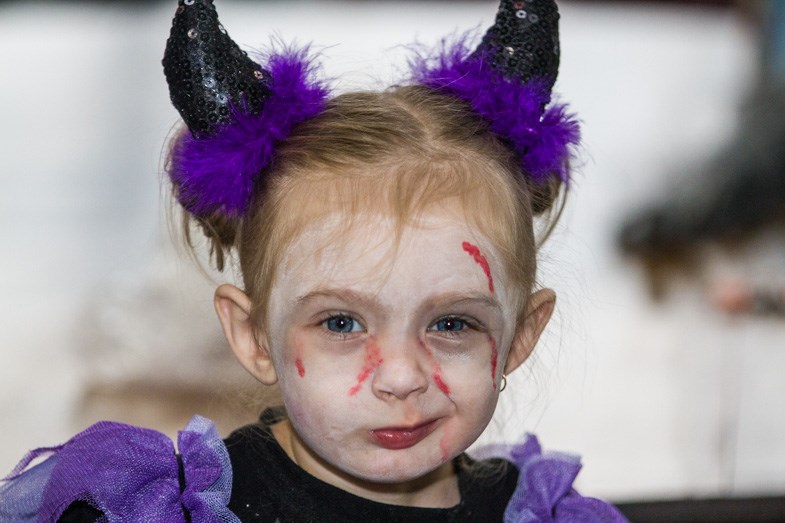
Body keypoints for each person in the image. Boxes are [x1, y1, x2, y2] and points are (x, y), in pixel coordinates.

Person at [0, 0, 627, 521]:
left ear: (520, 334)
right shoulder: (174, 510)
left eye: (452, 324)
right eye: (341, 323)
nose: (401, 376)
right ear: (252, 337)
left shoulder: (542, 514)